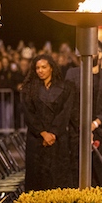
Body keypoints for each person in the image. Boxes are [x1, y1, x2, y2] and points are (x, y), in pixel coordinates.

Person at [66, 44, 102, 188]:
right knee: (77, 171)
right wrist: (83, 126)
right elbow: (69, 103)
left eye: (96, 51)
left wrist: (95, 123)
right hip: (77, 131)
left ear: (100, 54)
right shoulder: (72, 74)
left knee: (98, 173)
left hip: (100, 130)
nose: (92, 53)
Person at [22, 54, 74, 191]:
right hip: (37, 139)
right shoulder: (28, 89)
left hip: (58, 139)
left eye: (44, 67)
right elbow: (28, 114)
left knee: (58, 179)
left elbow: (65, 112)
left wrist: (53, 133)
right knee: (36, 181)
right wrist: (43, 133)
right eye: (37, 68)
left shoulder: (65, 88)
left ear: (51, 68)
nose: (40, 70)